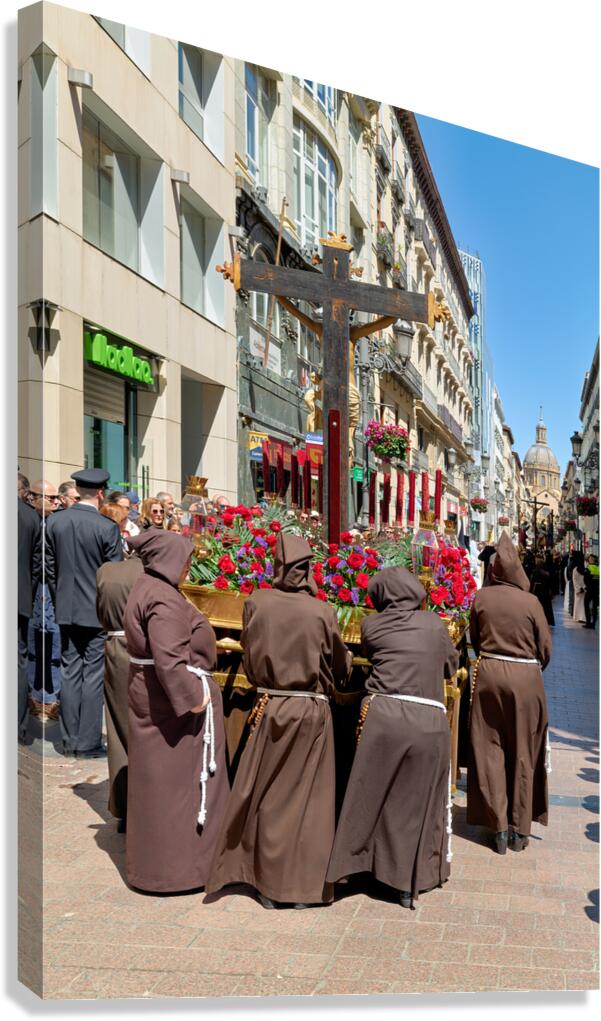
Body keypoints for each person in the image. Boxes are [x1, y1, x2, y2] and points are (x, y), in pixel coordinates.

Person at [206, 533, 351, 909]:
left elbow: (251, 657)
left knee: (268, 792)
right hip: (312, 710)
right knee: (310, 801)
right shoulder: (321, 610)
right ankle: (302, 889)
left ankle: (266, 883)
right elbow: (338, 666)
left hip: (272, 706)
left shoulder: (258, 602)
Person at [326, 567, 459, 910]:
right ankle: (407, 881)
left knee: (372, 794)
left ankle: (359, 867)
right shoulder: (434, 624)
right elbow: (449, 665)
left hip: (384, 719)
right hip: (429, 720)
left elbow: (372, 654)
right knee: (415, 802)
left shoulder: (372, 625)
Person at [123, 530, 229, 893]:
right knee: (173, 788)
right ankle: (179, 871)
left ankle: (157, 866)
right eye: (185, 560)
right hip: (170, 704)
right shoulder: (164, 600)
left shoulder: (147, 586)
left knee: (156, 785)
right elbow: (170, 661)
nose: (188, 568)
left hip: (151, 693)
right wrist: (194, 698)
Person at [467, 533, 552, 854]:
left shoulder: (481, 598)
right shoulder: (531, 602)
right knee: (524, 750)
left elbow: (474, 639)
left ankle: (498, 827)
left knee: (489, 747)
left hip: (489, 674)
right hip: (526, 678)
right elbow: (545, 648)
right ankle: (521, 827)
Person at [45, 468, 123, 757]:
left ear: (78, 490)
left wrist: (59, 597)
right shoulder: (106, 527)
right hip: (96, 610)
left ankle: (69, 739)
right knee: (92, 674)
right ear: (100, 493)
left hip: (66, 606)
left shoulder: (55, 521)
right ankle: (87, 741)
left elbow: (48, 567)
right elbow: (112, 576)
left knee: (69, 671)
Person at [96, 551, 144, 830]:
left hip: (114, 649)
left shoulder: (106, 572)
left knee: (117, 730)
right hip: (143, 652)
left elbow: (101, 613)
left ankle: (124, 806)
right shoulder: (151, 575)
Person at [26, 481, 63, 721]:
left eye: (57, 498)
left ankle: (48, 698)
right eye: (51, 498)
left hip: (47, 592)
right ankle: (37, 698)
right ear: (33, 497)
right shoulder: (31, 522)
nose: (56, 502)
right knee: (35, 646)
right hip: (36, 592)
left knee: (51, 647)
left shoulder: (53, 523)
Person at [18, 494, 41, 742]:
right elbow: (37, 563)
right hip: (20, 597)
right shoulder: (30, 515)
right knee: (18, 661)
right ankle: (18, 725)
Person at [530, 556, 555, 627]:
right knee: (546, 607)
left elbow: (532, 582)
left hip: (537, 592)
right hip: (545, 593)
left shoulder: (535, 572)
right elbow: (550, 584)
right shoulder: (546, 574)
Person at [583, 554, 599, 629]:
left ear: (590, 560)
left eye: (589, 558)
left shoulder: (588, 568)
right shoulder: (598, 568)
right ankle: (594, 624)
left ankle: (588, 623)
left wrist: (587, 586)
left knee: (586, 605)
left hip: (589, 590)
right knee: (595, 607)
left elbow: (585, 579)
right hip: (596, 590)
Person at [572, 551, 586, 623]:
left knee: (577, 603)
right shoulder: (585, 568)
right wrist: (584, 587)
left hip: (578, 589)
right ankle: (583, 617)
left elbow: (574, 580)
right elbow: (586, 579)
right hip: (584, 589)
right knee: (583, 604)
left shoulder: (575, 569)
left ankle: (577, 617)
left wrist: (578, 588)